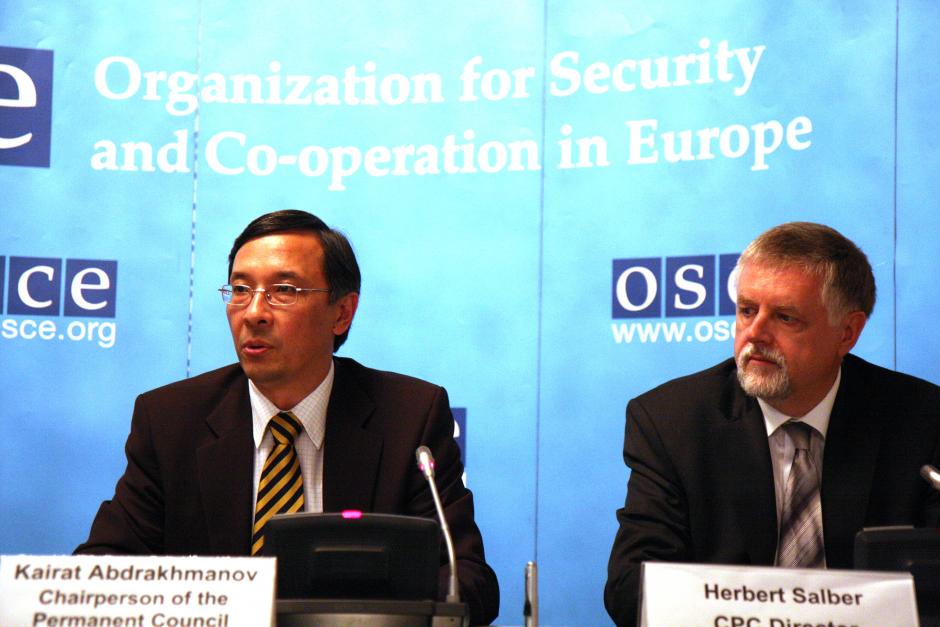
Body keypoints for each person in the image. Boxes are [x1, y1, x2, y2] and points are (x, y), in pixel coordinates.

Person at [76, 209, 499, 625]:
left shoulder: (408, 417)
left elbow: (468, 579)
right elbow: (103, 569)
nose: (253, 312)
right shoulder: (171, 420)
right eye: (240, 290)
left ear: (342, 312)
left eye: (283, 290)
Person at [604, 222, 940, 627]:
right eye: (747, 310)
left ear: (847, 333)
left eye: (785, 317)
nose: (755, 334)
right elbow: (631, 588)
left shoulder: (923, 421)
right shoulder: (672, 422)